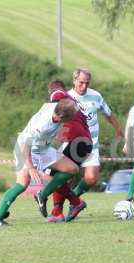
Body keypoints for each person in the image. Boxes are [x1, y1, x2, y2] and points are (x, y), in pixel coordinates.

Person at [0, 94, 79, 226]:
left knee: (72, 169)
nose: (73, 118)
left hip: (43, 149)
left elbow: (59, 97)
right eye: (72, 117)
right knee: (22, 182)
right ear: (61, 117)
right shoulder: (43, 125)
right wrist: (30, 167)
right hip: (26, 149)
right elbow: (26, 144)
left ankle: (42, 194)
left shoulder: (57, 107)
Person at [42, 80, 93, 223]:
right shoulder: (70, 100)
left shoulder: (57, 93)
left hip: (75, 141)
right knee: (59, 175)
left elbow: (51, 113)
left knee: (51, 175)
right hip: (83, 142)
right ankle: (58, 211)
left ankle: (74, 203)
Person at [67, 68, 124, 197]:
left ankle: (74, 198)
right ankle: (57, 208)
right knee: (66, 177)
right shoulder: (67, 97)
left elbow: (108, 114)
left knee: (92, 178)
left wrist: (119, 130)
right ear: (74, 80)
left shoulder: (96, 96)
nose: (84, 86)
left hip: (91, 144)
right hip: (71, 144)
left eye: (87, 83)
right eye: (81, 82)